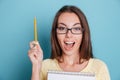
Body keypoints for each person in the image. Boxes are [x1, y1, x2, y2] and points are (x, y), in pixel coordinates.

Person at [28, 5, 110, 80]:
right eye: (62, 28)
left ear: (83, 34)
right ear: (55, 33)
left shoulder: (99, 67)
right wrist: (36, 66)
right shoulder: (44, 66)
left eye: (76, 29)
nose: (69, 35)